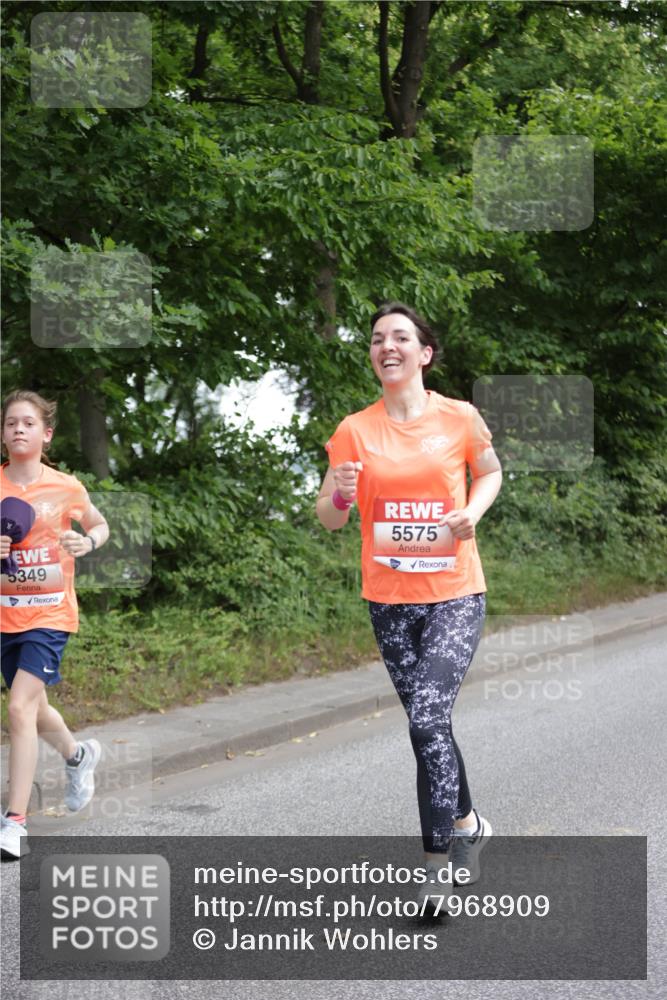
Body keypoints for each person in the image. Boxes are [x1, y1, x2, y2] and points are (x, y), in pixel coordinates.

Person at [317, 303, 502, 911]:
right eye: (377, 339)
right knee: (433, 727)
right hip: (388, 601)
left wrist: (469, 515)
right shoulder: (354, 429)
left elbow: (490, 474)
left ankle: (436, 867)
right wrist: (340, 498)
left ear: (424, 353)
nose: (387, 346)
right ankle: (469, 822)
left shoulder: (459, 417)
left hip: (454, 592)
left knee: (425, 720)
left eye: (401, 337)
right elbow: (328, 517)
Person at [0, 389, 109, 860]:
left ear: (46, 434)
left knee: (19, 708)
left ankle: (14, 822)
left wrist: (88, 543)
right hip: (6, 615)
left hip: (50, 614)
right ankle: (78, 755)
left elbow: (99, 525)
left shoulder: (66, 487)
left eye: (27, 422)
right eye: (10, 423)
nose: (18, 429)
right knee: (37, 710)